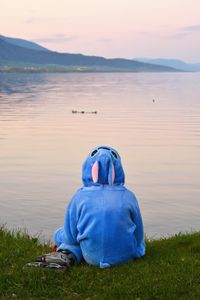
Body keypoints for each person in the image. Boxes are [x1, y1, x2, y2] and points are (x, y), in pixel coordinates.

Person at [35, 146, 146, 269]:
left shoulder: (80, 197)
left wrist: (58, 237)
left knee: (70, 238)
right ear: (117, 169)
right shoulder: (128, 196)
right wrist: (138, 248)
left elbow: (71, 236)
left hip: (91, 257)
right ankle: (73, 252)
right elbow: (139, 232)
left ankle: (68, 253)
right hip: (125, 256)